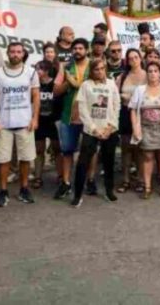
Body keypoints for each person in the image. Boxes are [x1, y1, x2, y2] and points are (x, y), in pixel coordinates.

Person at [0, 42, 41, 207]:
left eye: (19, 52)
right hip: (4, 123)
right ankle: (3, 191)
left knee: (25, 158)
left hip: (25, 123)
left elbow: (36, 97)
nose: (16, 54)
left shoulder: (31, 72)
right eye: (13, 52)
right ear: (8, 53)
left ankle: (24, 188)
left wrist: (35, 118)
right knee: (3, 160)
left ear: (23, 53)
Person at [71, 58, 120, 206]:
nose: (100, 72)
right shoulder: (86, 85)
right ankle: (77, 195)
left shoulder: (111, 84)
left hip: (109, 130)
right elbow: (83, 109)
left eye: (102, 68)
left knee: (108, 162)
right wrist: (93, 128)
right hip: (91, 130)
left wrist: (110, 127)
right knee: (82, 163)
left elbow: (116, 106)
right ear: (91, 71)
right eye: (96, 69)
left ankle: (109, 190)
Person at [129, 61, 160, 199]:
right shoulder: (140, 90)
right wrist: (135, 128)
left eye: (155, 71)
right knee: (147, 157)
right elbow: (132, 110)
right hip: (146, 129)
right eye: (150, 71)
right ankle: (147, 187)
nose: (153, 74)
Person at [53, 38, 90, 199]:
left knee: (90, 151)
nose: (77, 51)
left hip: (90, 116)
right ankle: (66, 183)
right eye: (75, 48)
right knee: (67, 150)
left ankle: (90, 180)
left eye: (81, 48)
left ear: (87, 50)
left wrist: (77, 84)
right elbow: (56, 91)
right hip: (69, 115)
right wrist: (69, 82)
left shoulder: (94, 66)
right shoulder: (66, 67)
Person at [32, 44, 64, 188]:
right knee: (39, 151)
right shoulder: (34, 86)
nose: (36, 71)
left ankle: (61, 175)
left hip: (53, 121)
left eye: (38, 69)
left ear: (45, 71)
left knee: (57, 150)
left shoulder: (55, 85)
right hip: (39, 121)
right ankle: (38, 177)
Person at [116, 49, 147, 194]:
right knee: (126, 149)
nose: (134, 60)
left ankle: (141, 180)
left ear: (140, 58)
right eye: (130, 58)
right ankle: (126, 179)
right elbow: (116, 95)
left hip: (141, 115)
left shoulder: (147, 75)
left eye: (136, 57)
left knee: (140, 150)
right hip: (125, 113)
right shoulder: (122, 77)